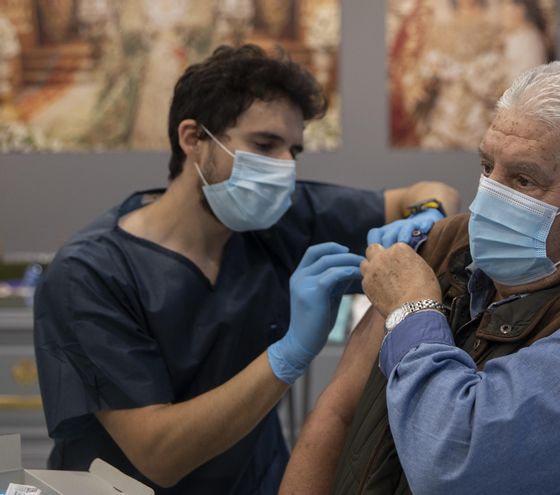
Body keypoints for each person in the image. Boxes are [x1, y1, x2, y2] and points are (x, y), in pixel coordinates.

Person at [32, 44, 458, 494]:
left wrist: (427, 215)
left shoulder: (279, 221)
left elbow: (433, 190)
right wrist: (290, 353)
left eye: (294, 149)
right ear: (193, 139)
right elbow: (159, 455)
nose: (285, 169)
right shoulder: (90, 274)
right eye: (264, 145)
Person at [280, 60, 560, 494]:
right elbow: (339, 410)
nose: (489, 198)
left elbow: (452, 461)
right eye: (488, 167)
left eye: (524, 179)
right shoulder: (451, 245)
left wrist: (413, 312)